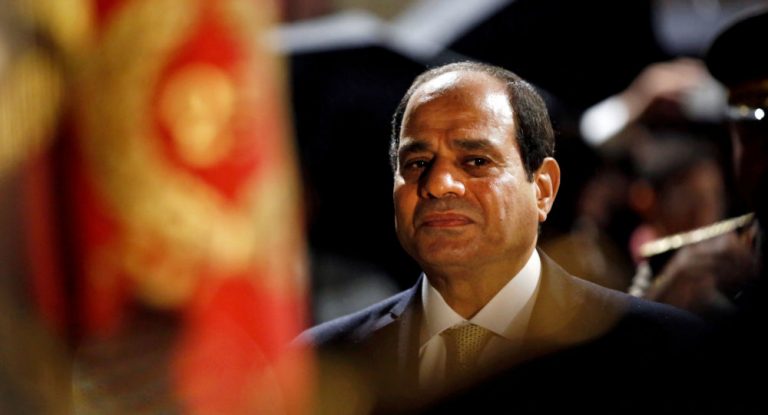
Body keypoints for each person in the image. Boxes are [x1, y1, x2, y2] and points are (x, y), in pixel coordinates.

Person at [300, 61, 704, 413]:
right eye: (418, 163)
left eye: (476, 161)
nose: (438, 184)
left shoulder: (668, 351)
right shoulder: (313, 367)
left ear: (543, 189)